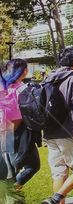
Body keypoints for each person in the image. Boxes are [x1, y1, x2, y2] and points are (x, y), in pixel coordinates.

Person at [38, 47, 73, 204]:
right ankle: (56, 198)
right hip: (71, 133)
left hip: (50, 133)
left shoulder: (48, 79)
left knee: (59, 173)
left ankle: (56, 201)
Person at [1, 59, 36, 200]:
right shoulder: (20, 89)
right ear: (24, 71)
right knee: (29, 166)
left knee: (11, 168)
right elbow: (17, 117)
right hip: (17, 133)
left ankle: (11, 194)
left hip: (6, 132)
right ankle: (12, 194)